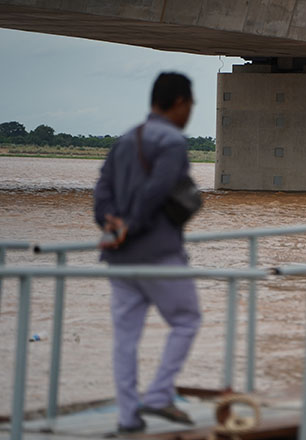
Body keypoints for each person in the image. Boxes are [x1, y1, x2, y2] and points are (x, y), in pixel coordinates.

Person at [94, 72, 202, 434]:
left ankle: (128, 417)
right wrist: (133, 226)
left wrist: (112, 227)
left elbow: (102, 193)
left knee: (125, 339)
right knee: (186, 320)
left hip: (119, 258)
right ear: (179, 102)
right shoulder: (172, 142)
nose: (191, 112)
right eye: (191, 104)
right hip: (158, 254)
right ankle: (157, 395)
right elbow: (157, 191)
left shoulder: (125, 139)